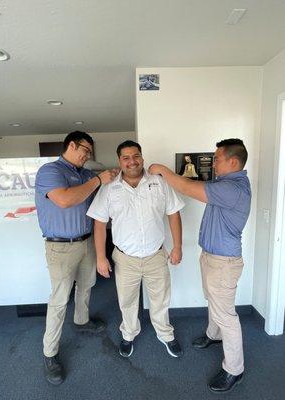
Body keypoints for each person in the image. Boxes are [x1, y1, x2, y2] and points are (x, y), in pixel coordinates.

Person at [148, 138, 251, 394]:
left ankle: (234, 369)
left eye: (217, 158)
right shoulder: (225, 183)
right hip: (212, 257)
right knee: (212, 300)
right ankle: (213, 335)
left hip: (223, 262)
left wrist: (162, 169)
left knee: (226, 316)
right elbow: (193, 184)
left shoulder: (233, 189)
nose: (213, 162)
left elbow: (185, 186)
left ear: (233, 161)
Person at [87, 140, 185, 358]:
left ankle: (165, 334)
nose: (132, 161)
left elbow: (174, 214)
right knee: (127, 300)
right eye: (126, 157)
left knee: (160, 299)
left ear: (142, 157)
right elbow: (99, 224)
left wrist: (177, 246)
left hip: (156, 255)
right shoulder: (109, 188)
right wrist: (101, 257)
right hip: (125, 259)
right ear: (119, 161)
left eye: (136, 156)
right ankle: (129, 334)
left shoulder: (160, 183)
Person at [35, 131, 118, 385]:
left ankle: (81, 320)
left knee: (87, 286)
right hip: (60, 247)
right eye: (85, 150)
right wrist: (98, 181)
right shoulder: (50, 171)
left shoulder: (84, 174)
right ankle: (50, 353)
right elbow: (65, 200)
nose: (87, 155)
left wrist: (112, 177)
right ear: (72, 145)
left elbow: (99, 202)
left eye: (89, 152)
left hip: (86, 242)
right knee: (59, 299)